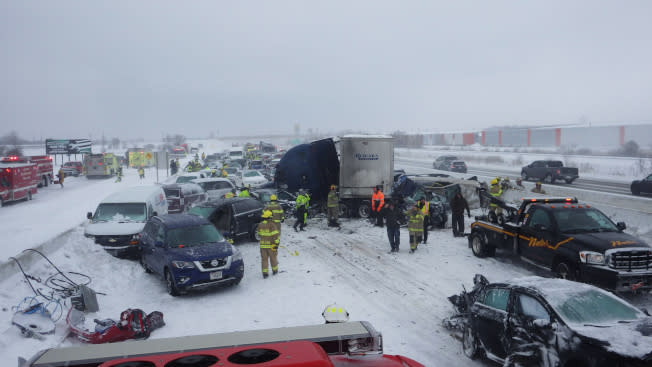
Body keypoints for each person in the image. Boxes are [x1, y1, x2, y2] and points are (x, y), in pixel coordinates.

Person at [258, 210, 280, 278]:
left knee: (264, 259)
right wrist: (277, 243)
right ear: (270, 217)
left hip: (262, 246)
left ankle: (265, 272)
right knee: (273, 258)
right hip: (271, 245)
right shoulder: (272, 224)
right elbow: (275, 235)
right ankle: (275, 270)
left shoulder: (260, 224)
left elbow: (259, 235)